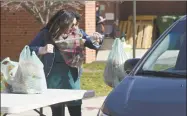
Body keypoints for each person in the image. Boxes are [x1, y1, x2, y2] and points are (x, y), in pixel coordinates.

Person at [29, 9, 103, 116]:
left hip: (71, 78)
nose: (75, 27)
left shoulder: (77, 33)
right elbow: (29, 49)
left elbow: (91, 43)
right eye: (72, 25)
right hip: (53, 78)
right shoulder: (46, 34)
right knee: (57, 112)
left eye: (76, 24)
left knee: (76, 110)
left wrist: (97, 39)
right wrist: (41, 49)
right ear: (63, 23)